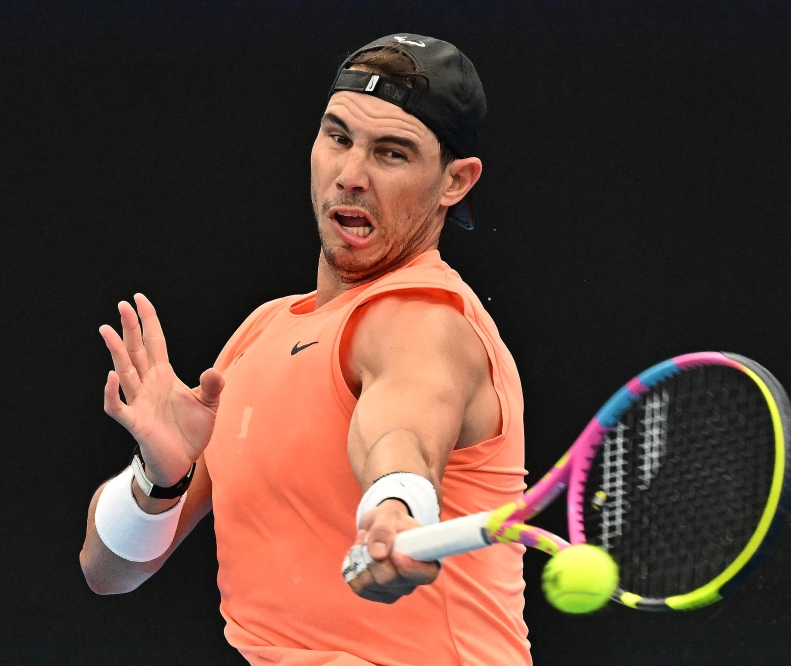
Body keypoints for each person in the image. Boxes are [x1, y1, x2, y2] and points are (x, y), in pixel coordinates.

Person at [80, 34, 532, 666]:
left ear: (455, 181)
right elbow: (110, 572)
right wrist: (160, 479)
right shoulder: (263, 332)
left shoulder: (426, 319)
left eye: (392, 153)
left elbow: (401, 431)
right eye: (338, 137)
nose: (350, 176)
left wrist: (396, 506)